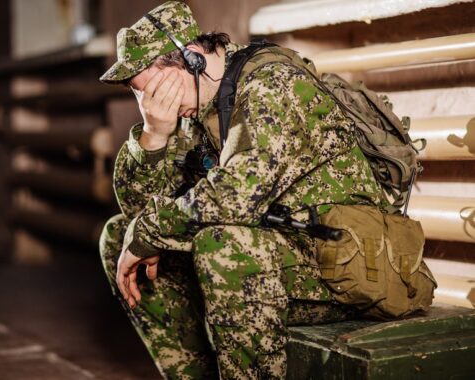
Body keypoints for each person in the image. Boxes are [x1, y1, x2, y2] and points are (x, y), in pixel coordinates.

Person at [98, 1, 386, 378]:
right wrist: (154, 136)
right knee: (118, 234)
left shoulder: (274, 84)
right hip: (273, 254)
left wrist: (150, 230)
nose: (148, 106)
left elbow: (237, 195)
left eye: (150, 91)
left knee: (222, 245)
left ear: (191, 58)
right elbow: (139, 210)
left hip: (341, 264)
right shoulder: (196, 110)